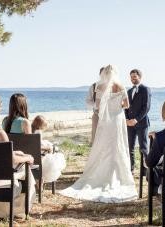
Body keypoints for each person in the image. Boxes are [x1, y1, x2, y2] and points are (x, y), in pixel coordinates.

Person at [59, 64, 138, 203]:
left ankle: (98, 174)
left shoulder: (99, 87)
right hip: (117, 119)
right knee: (117, 146)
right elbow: (126, 105)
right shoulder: (120, 86)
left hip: (105, 120)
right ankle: (116, 175)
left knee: (102, 145)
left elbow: (97, 105)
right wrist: (117, 105)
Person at [125, 69, 151, 172]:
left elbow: (146, 107)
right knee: (130, 147)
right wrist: (127, 119)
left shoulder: (145, 89)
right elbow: (126, 107)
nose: (132, 79)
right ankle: (131, 169)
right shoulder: (129, 91)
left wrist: (136, 120)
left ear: (140, 77)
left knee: (143, 148)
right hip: (129, 124)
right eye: (131, 77)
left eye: (134, 77)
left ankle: (146, 171)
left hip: (142, 124)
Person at [31, 115, 66, 182]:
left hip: (33, 156)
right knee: (56, 156)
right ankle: (41, 181)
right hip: (39, 158)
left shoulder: (31, 130)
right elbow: (39, 145)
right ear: (41, 126)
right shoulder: (38, 132)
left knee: (52, 149)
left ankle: (40, 182)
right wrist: (48, 148)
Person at [86, 67, 105, 145]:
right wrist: (96, 105)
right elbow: (88, 100)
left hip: (110, 116)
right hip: (97, 114)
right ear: (100, 74)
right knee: (95, 137)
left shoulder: (113, 86)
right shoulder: (94, 86)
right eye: (103, 73)